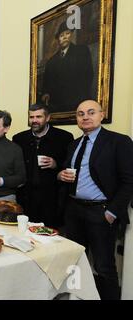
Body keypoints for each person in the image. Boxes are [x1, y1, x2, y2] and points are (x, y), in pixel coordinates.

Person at [58, 100, 133, 300]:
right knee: (74, 262)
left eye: (91, 112)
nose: (85, 117)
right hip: (74, 210)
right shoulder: (74, 144)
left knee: (103, 266)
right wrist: (60, 175)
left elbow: (129, 181)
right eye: (80, 113)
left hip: (100, 213)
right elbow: (66, 171)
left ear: (101, 115)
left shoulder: (119, 141)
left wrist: (111, 213)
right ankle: (79, 297)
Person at [12, 104, 73, 228]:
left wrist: (56, 164)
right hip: (25, 197)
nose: (34, 120)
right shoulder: (19, 138)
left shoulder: (64, 138)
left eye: (38, 116)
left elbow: (71, 165)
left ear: (48, 117)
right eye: (31, 117)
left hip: (52, 198)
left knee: (49, 235)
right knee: (24, 233)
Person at [41, 21, 93, 113]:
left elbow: (88, 76)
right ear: (58, 40)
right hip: (56, 105)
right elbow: (46, 83)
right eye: (61, 35)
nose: (64, 37)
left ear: (71, 35)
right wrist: (46, 93)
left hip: (77, 103)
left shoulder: (81, 51)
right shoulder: (51, 61)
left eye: (67, 33)